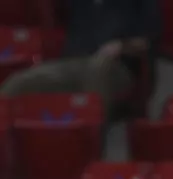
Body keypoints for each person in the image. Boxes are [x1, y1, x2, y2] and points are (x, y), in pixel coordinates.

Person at [0, 0, 159, 120]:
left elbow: (147, 41)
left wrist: (120, 46)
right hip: (73, 63)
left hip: (117, 66)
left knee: (98, 68)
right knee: (19, 82)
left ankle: (89, 142)